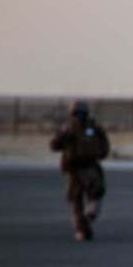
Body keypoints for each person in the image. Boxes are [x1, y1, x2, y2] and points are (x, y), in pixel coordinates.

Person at [49, 101, 110, 241]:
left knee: (76, 201)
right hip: (89, 168)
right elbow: (104, 149)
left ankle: (81, 227)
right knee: (95, 195)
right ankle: (88, 217)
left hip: (74, 169)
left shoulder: (68, 129)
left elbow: (53, 145)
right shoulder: (94, 128)